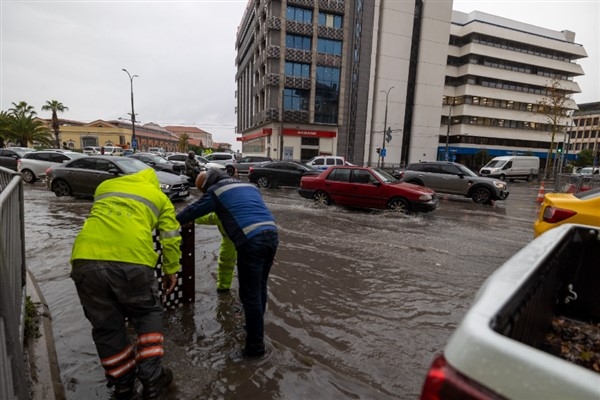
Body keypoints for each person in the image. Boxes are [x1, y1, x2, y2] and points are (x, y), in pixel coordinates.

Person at [70, 168, 181, 400]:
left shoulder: (105, 188)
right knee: (147, 313)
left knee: (106, 326)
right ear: (155, 182)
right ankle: (152, 381)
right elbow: (170, 237)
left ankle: (122, 385)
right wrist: (171, 269)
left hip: (84, 261)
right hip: (133, 262)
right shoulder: (160, 197)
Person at [177, 169, 278, 359]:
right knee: (260, 287)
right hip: (271, 234)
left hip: (251, 240)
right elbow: (256, 210)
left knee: (249, 295)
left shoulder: (216, 191)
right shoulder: (249, 186)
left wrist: (172, 221)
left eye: (204, 190)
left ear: (208, 184)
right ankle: (252, 325)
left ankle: (255, 348)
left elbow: (192, 211)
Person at [195, 212, 236, 292]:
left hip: (231, 240)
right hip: (256, 237)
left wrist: (188, 217)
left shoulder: (221, 214)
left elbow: (203, 218)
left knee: (226, 264)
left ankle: (223, 288)